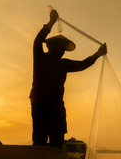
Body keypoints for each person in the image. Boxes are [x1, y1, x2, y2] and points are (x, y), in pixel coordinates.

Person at [29, 9, 107, 149]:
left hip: (57, 105)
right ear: (51, 47)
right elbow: (37, 41)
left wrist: (98, 54)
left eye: (64, 49)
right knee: (40, 139)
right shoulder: (41, 58)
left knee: (57, 140)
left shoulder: (63, 64)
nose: (63, 51)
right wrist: (51, 22)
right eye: (61, 48)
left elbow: (83, 64)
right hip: (41, 104)